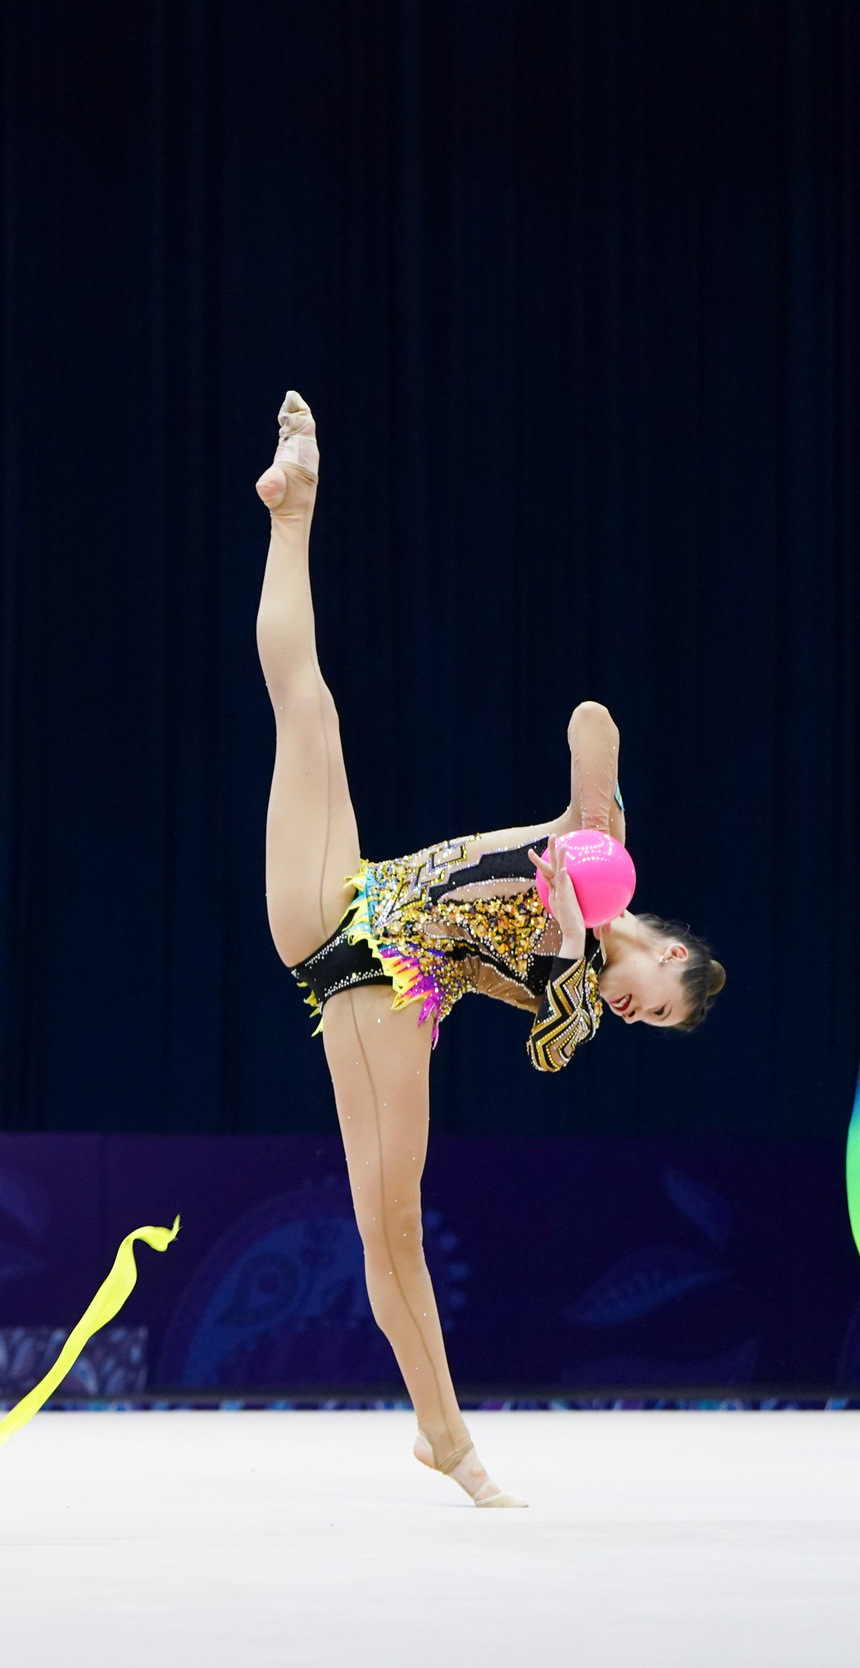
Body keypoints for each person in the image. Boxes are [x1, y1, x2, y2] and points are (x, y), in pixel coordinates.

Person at [252, 390, 725, 1507]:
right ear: (662, 951)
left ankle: (447, 1441)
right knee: (305, 708)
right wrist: (584, 823)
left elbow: (551, 1057)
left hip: (379, 977)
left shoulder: (570, 988)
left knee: (392, 1224)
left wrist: (568, 941)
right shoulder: (602, 851)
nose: (635, 1014)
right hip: (349, 892)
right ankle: (292, 504)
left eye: (647, 1025)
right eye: (655, 1001)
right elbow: (592, 716)